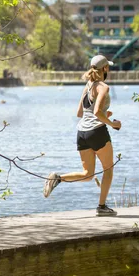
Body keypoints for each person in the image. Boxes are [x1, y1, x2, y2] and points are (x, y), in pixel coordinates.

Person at [43, 54, 121, 216]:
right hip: (97, 132)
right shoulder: (103, 87)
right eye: (109, 67)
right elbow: (98, 112)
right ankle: (101, 207)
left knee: (88, 175)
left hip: (82, 133)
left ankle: (57, 178)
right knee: (108, 169)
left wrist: (104, 113)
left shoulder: (88, 86)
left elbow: (81, 112)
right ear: (105, 68)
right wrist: (113, 124)